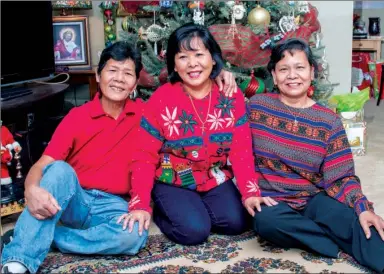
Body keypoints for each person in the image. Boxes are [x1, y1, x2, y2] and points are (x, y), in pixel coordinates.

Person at [0, 39, 238, 274]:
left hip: (115, 205)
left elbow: (185, 94)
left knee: (134, 236)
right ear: (98, 74)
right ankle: (18, 259)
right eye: (112, 70)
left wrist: (218, 74)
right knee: (59, 170)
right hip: (77, 199)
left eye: (128, 73)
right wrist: (31, 189)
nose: (119, 79)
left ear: (135, 82)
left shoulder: (147, 113)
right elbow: (44, 165)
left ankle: (50, 236)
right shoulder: (77, 116)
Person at [247, 38, 384, 273]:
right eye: (283, 69)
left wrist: (362, 207)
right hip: (272, 201)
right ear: (274, 75)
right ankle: (332, 244)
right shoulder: (257, 106)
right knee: (265, 222)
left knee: (352, 218)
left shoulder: (328, 120)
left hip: (312, 197)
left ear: (311, 72)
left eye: (299, 68)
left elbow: (341, 176)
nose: (292, 75)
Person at [130, 23, 266, 246]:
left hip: (214, 177)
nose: (192, 64)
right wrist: (139, 204)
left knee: (237, 222)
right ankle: (166, 211)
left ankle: (195, 209)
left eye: (199, 55)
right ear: (174, 63)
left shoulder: (231, 95)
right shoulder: (161, 99)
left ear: (213, 58)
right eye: (183, 56)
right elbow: (144, 155)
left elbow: (241, 150)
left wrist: (250, 192)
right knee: (193, 232)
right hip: (173, 179)